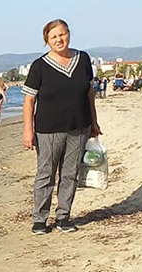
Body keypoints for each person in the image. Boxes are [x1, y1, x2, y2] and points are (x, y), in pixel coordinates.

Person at [22, 19, 101, 235]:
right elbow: (29, 101)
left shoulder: (82, 59)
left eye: (62, 34)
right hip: (48, 130)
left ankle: (63, 217)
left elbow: (89, 92)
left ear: (69, 34)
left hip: (79, 126)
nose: (59, 39)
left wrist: (93, 121)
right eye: (54, 36)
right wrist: (27, 130)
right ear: (47, 41)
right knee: (45, 174)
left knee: (70, 174)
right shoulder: (39, 66)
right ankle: (40, 219)